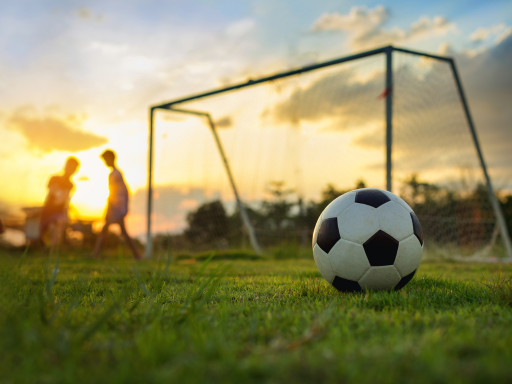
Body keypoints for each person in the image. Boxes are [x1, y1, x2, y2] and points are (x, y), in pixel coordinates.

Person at [91, 150, 141, 260]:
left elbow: (113, 194)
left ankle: (96, 254)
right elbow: (126, 191)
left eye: (105, 159)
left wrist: (108, 210)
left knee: (108, 230)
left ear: (111, 158)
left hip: (116, 208)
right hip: (119, 208)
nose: (104, 162)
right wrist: (125, 207)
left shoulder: (114, 174)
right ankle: (137, 255)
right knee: (117, 231)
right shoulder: (117, 173)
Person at [40, 157, 80, 247]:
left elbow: (65, 201)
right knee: (43, 234)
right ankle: (46, 247)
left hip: (59, 212)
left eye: (74, 169)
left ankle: (54, 248)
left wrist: (66, 214)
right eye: (70, 167)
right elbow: (51, 192)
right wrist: (60, 195)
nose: (71, 170)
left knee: (60, 221)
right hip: (48, 211)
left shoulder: (71, 185)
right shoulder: (54, 178)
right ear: (65, 166)